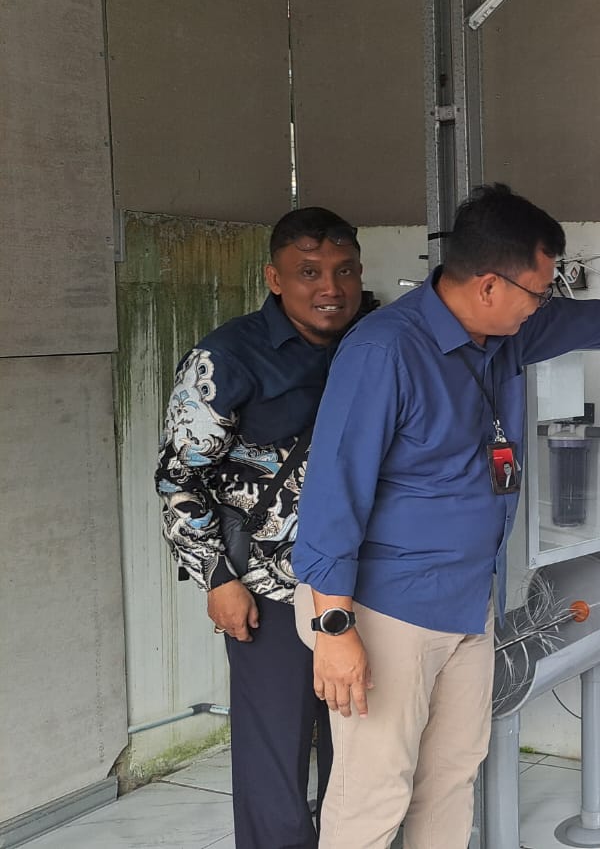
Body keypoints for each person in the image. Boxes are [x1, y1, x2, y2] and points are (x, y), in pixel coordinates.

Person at [292, 182, 600, 849]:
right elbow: (332, 493)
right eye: (539, 291)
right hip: (384, 610)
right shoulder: (384, 352)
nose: (545, 304)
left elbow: (595, 322)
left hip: (467, 603)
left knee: (451, 778)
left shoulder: (502, 334)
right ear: (489, 285)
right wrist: (334, 626)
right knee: (374, 793)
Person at [156, 207, 364, 849]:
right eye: (309, 272)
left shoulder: (374, 346)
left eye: (344, 271)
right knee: (274, 758)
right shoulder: (226, 357)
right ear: (275, 278)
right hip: (268, 590)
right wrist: (217, 579)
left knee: (361, 754)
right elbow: (177, 479)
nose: (330, 288)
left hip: (363, 588)